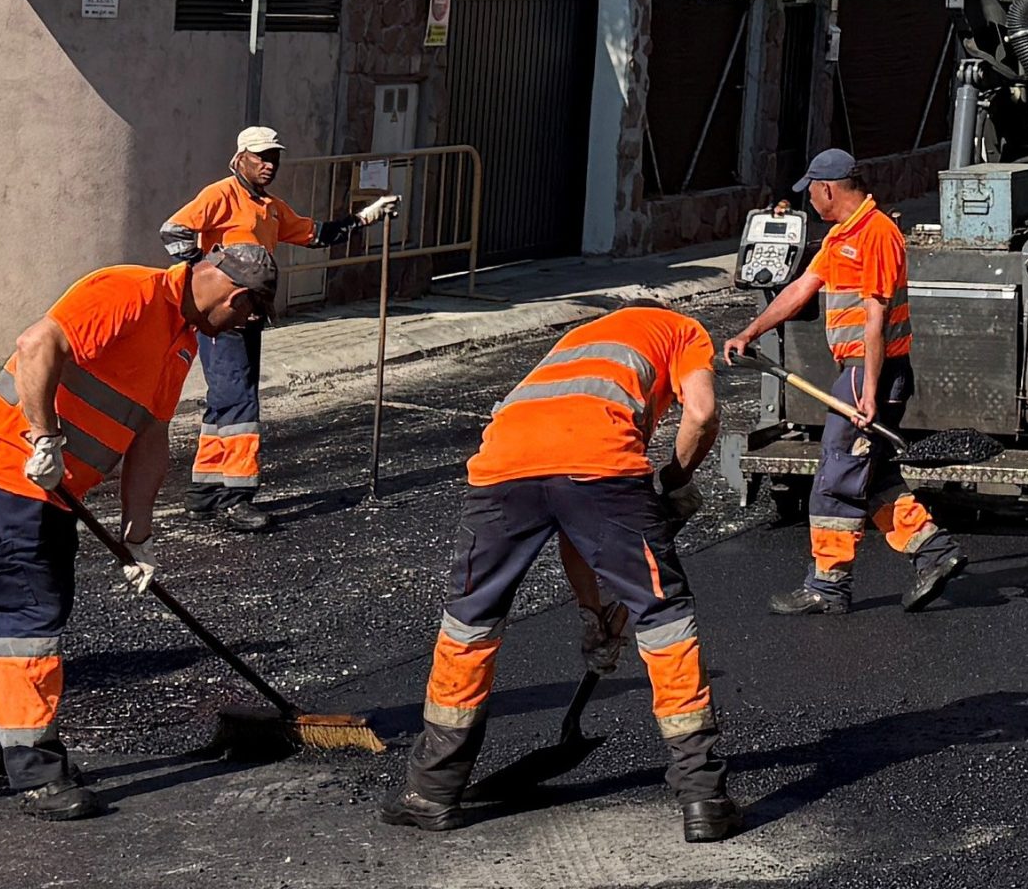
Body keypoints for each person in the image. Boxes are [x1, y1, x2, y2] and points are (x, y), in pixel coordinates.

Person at [0, 244, 279, 820]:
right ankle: (37, 772)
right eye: (249, 316)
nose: (244, 327)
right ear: (237, 296)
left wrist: (138, 534)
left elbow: (150, 436)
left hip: (49, 492)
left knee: (26, 623)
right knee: (27, 624)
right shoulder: (128, 291)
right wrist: (42, 437)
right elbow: (37, 345)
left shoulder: (181, 338)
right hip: (5, 475)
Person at [383, 304, 740, 843]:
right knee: (665, 618)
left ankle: (430, 792)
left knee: (469, 622)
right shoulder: (685, 329)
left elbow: (576, 525)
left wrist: (595, 614)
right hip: (600, 468)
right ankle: (703, 798)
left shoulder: (579, 343)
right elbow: (703, 414)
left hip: (501, 468)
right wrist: (672, 479)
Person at [723, 149, 967, 617]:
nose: (808, 200)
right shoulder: (841, 236)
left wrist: (869, 390)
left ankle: (828, 586)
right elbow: (799, 289)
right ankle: (934, 553)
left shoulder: (877, 234)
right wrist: (749, 332)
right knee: (868, 476)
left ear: (828, 188)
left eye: (810, 191)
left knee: (836, 477)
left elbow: (875, 317)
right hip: (860, 373)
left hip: (870, 372)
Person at [160, 126, 397, 532]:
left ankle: (205, 493)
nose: (268, 164)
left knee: (227, 401)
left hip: (250, 315)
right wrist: (206, 275)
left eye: (274, 157)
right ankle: (236, 498)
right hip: (222, 317)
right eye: (260, 157)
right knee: (239, 404)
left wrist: (363, 218)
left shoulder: (270, 207)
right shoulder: (220, 195)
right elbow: (174, 230)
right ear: (241, 158)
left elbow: (315, 234)